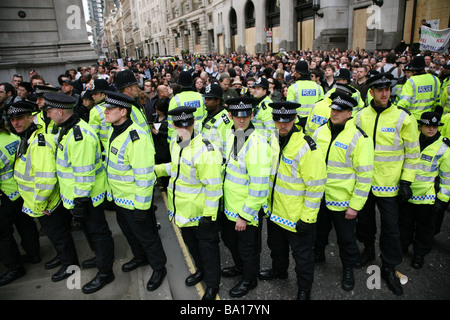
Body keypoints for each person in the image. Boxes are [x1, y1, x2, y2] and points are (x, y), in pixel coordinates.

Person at [354, 73, 420, 296]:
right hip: (364, 182)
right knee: (364, 222)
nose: (385, 93)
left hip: (390, 184)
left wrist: (406, 181)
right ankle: (368, 249)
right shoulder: (361, 116)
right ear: (371, 92)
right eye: (380, 89)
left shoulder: (403, 118)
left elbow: (413, 153)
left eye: (388, 89)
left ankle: (389, 266)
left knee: (391, 228)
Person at [43, 92, 115, 294]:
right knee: (94, 233)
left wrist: (80, 201)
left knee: (98, 233)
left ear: (59, 111)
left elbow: (83, 173)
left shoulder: (78, 135)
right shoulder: (68, 129)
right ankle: (101, 260)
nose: (48, 115)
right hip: (79, 196)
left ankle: (105, 272)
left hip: (87, 197)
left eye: (49, 111)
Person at [154, 106, 223, 300]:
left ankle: (212, 284)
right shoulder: (176, 144)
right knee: (192, 246)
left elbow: (214, 186)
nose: (184, 129)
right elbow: (177, 168)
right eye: (179, 125)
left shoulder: (205, 149)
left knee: (208, 249)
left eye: (188, 125)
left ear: (193, 123)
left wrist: (209, 215)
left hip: (201, 213)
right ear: (173, 125)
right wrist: (157, 170)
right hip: (182, 210)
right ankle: (200, 271)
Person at [259, 101, 326, 300]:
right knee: (276, 247)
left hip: (296, 216)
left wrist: (308, 218)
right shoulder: (271, 139)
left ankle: (304, 289)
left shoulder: (306, 146)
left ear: (295, 119)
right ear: (273, 120)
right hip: (275, 212)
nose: (283, 125)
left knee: (303, 257)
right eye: (278, 120)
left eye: (287, 120)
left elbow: (316, 187)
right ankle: (279, 271)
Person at [8, 100, 80, 283]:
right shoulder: (28, 137)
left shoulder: (38, 142)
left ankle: (70, 266)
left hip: (46, 201)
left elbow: (46, 178)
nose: (15, 123)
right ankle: (62, 258)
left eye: (19, 118)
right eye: (12, 119)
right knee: (56, 236)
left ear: (30, 118)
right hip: (40, 201)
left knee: (60, 236)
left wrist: (40, 203)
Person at [103, 91, 168, 292]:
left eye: (110, 109)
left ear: (123, 111)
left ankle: (159, 267)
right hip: (120, 199)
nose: (105, 112)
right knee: (130, 234)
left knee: (147, 236)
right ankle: (140, 258)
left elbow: (144, 177)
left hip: (135, 201)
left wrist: (141, 207)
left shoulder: (135, 138)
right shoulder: (114, 130)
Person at [312, 92, 374, 291]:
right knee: (319, 231)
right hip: (320, 197)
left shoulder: (359, 138)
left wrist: (355, 206)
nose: (335, 113)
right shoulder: (320, 132)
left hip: (343, 201)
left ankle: (348, 268)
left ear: (349, 113)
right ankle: (318, 254)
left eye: (340, 110)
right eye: (333, 109)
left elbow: (364, 177)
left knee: (346, 239)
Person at [221, 97, 271, 298]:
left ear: (251, 116)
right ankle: (240, 268)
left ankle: (249, 280)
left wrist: (245, 215)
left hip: (244, 210)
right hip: (230, 206)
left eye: (245, 117)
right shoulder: (234, 135)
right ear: (231, 116)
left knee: (248, 248)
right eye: (237, 117)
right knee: (231, 242)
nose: (241, 121)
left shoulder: (257, 144)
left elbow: (259, 187)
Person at [399, 112, 450, 269]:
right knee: (404, 224)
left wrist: (442, 200)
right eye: (428, 126)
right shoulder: (412, 140)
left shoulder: (444, 147)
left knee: (424, 228)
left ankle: (419, 254)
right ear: (421, 126)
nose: (431, 129)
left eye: (434, 126)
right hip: (407, 192)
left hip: (426, 197)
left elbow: (447, 176)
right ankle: (403, 247)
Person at [0, 104, 41, 286]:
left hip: (5, 195)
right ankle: (34, 254)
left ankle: (14, 267)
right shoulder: (11, 137)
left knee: (3, 234)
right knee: (26, 224)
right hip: (20, 191)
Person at [397, 55, 441, 121]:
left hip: (414, 119)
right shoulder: (435, 79)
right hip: (430, 118)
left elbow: (404, 102)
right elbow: (437, 101)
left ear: (413, 69)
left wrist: (396, 111)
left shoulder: (411, 81)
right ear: (424, 66)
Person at [167, 70, 206, 143]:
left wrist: (171, 140)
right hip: (201, 136)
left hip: (183, 138)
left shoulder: (175, 100)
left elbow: (171, 123)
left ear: (179, 84)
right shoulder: (201, 97)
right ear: (192, 83)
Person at [286, 60, 324, 129]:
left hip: (298, 123)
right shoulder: (318, 87)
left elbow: (290, 107)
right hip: (315, 122)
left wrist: (297, 121)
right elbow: (322, 107)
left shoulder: (293, 88)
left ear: (298, 73)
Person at [114, 69, 152, 136]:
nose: (138, 89)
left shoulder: (133, 103)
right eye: (136, 86)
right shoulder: (123, 109)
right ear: (128, 89)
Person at [201, 83, 233, 160]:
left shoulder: (226, 120)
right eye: (205, 98)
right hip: (205, 158)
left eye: (209, 99)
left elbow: (228, 147)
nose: (206, 102)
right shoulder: (208, 113)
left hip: (217, 162)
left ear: (218, 101)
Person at [151, 98, 171, 191]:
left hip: (165, 146)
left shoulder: (168, 119)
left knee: (166, 166)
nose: (156, 111)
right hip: (157, 145)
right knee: (159, 164)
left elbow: (169, 133)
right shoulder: (155, 117)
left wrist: (160, 133)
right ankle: (163, 183)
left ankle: (167, 184)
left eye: (158, 109)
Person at [89, 78, 113, 152]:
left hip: (105, 151)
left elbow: (92, 135)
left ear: (103, 94)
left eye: (95, 93)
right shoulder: (116, 105)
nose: (93, 96)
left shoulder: (95, 110)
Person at [250, 77, 275, 141]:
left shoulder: (267, 106)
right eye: (254, 88)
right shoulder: (259, 103)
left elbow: (270, 129)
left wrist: (262, 144)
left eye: (258, 89)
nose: (255, 90)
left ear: (265, 91)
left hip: (261, 143)